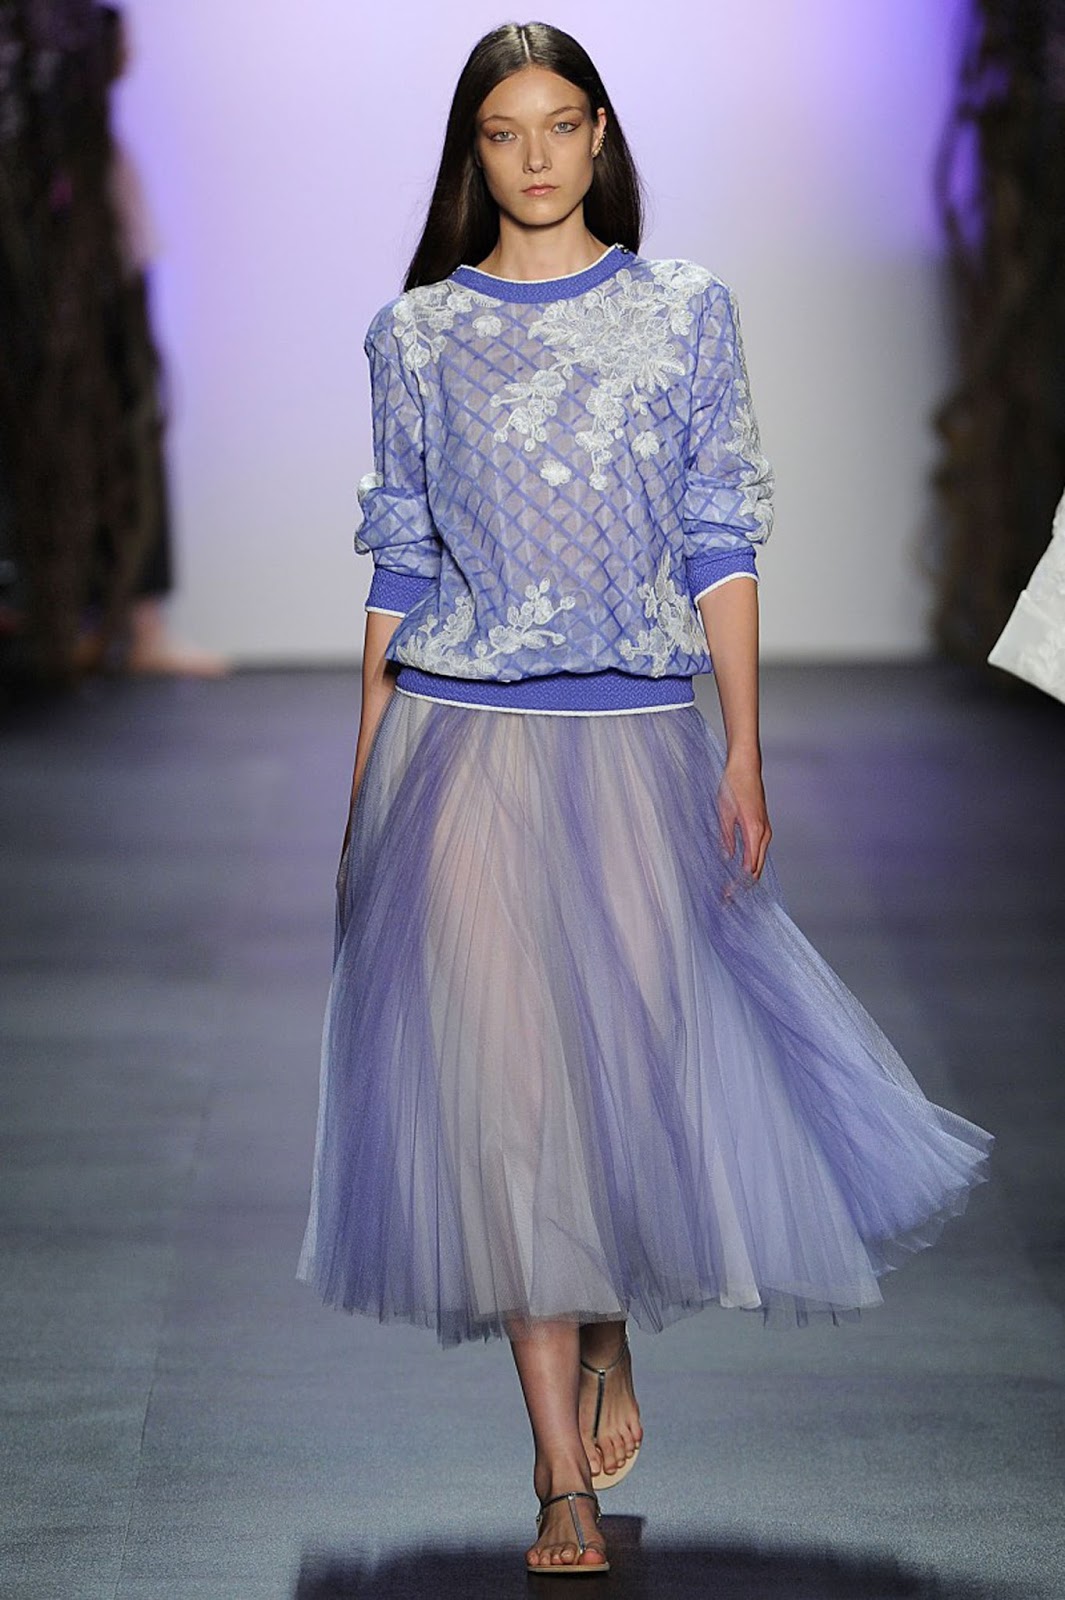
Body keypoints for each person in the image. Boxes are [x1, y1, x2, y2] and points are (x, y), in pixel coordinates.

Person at [297, 21, 994, 1577]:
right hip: (457, 740)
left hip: (634, 735)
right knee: (508, 1109)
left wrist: (742, 746)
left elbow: (717, 529)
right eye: (503, 131)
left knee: (637, 1067)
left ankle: (606, 1307)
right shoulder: (414, 335)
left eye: (559, 124)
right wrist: (361, 798)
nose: (534, 156)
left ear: (599, 134)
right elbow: (399, 569)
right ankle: (557, 1476)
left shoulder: (684, 311)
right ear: (472, 150)